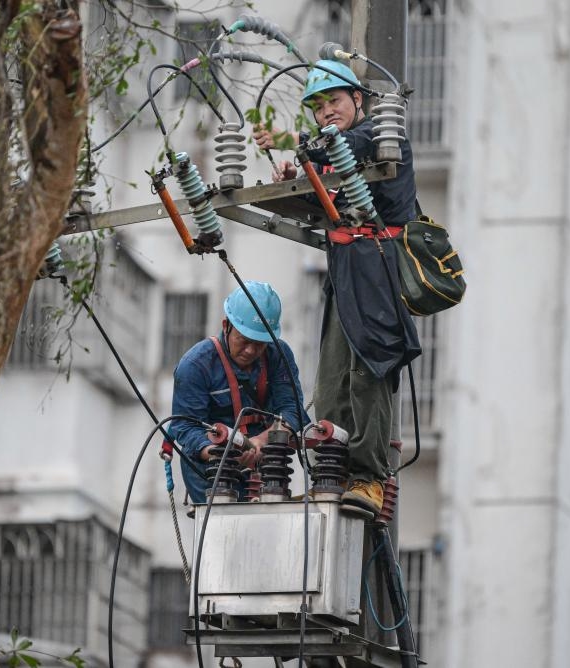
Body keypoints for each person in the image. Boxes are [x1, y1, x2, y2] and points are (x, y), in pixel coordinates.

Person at [253, 59, 421, 515]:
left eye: (335, 101)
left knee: (369, 372)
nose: (328, 111)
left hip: (380, 271)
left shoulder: (384, 141)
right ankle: (331, 471)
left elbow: (347, 145)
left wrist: (293, 142)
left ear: (358, 101)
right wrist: (295, 182)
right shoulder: (331, 153)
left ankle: (368, 477)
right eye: (320, 106)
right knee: (331, 383)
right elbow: (324, 198)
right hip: (345, 272)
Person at [168, 282, 307, 504]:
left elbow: (292, 410)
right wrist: (221, 454)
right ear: (226, 326)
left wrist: (261, 441)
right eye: (244, 341)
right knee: (222, 532)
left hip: (265, 469)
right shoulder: (195, 365)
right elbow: (185, 428)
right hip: (212, 473)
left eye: (260, 344)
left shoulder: (278, 355)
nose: (251, 351)